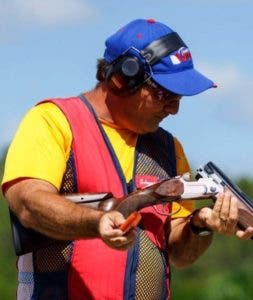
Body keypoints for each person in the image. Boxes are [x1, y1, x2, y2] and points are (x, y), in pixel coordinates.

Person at [1, 18, 253, 300]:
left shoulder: (170, 148)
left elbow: (179, 254)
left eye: (178, 98)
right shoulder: (54, 121)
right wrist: (96, 222)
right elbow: (28, 203)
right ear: (121, 79)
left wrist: (200, 225)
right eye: (164, 95)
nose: (174, 110)